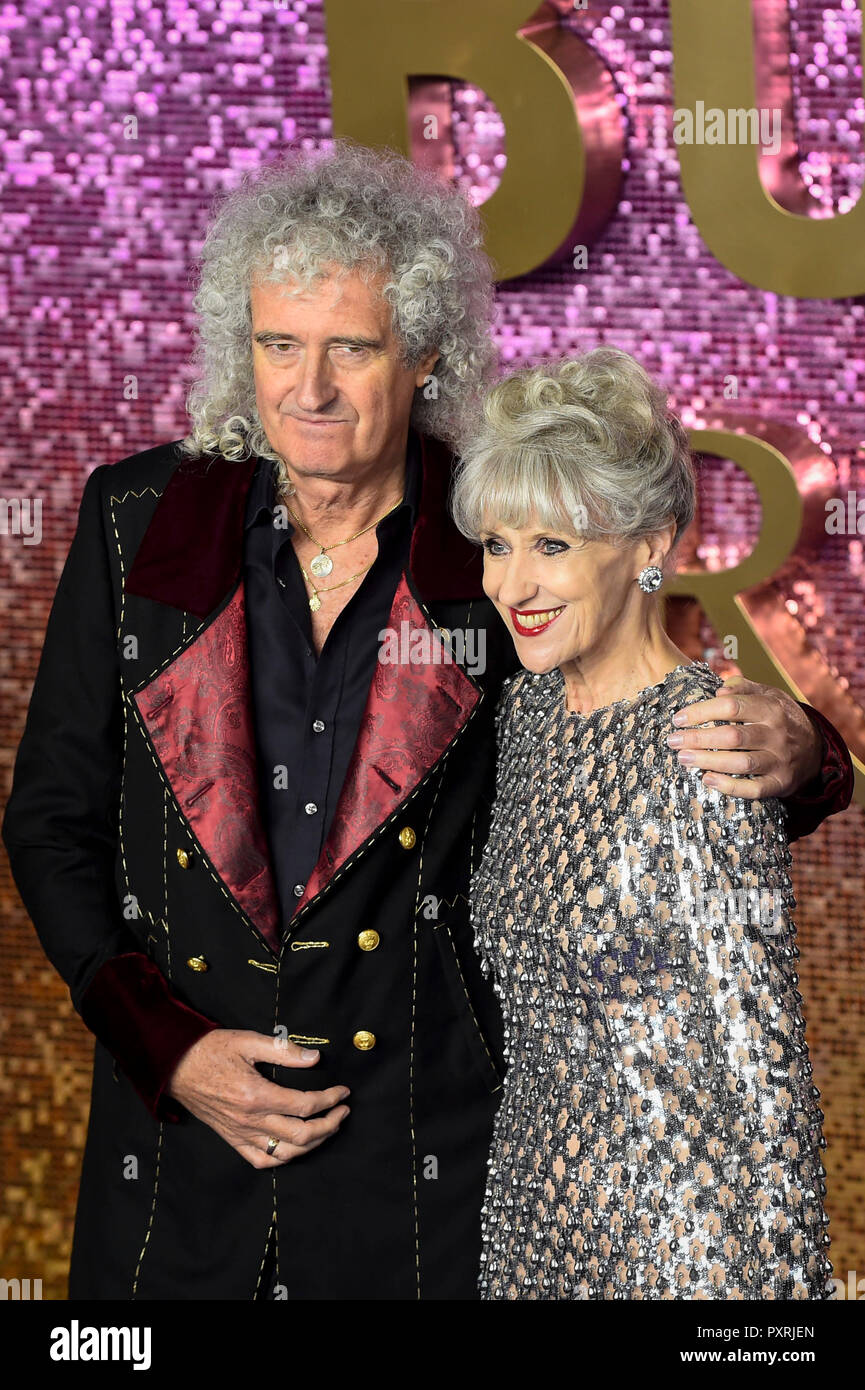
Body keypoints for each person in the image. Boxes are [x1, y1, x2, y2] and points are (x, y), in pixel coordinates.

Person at [2, 143, 851, 1301]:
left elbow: (637, 732)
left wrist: (809, 755)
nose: (308, 389)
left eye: (350, 348)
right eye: (277, 345)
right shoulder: (137, 522)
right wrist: (166, 1045)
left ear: (425, 357)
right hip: (174, 1172)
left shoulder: (495, 546)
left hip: (413, 1185)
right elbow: (52, 822)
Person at [452, 348, 835, 1299]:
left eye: (553, 546)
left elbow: (764, 1075)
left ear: (651, 545)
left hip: (679, 1248)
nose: (513, 585)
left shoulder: (710, 741)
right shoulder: (519, 719)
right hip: (526, 1230)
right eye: (498, 544)